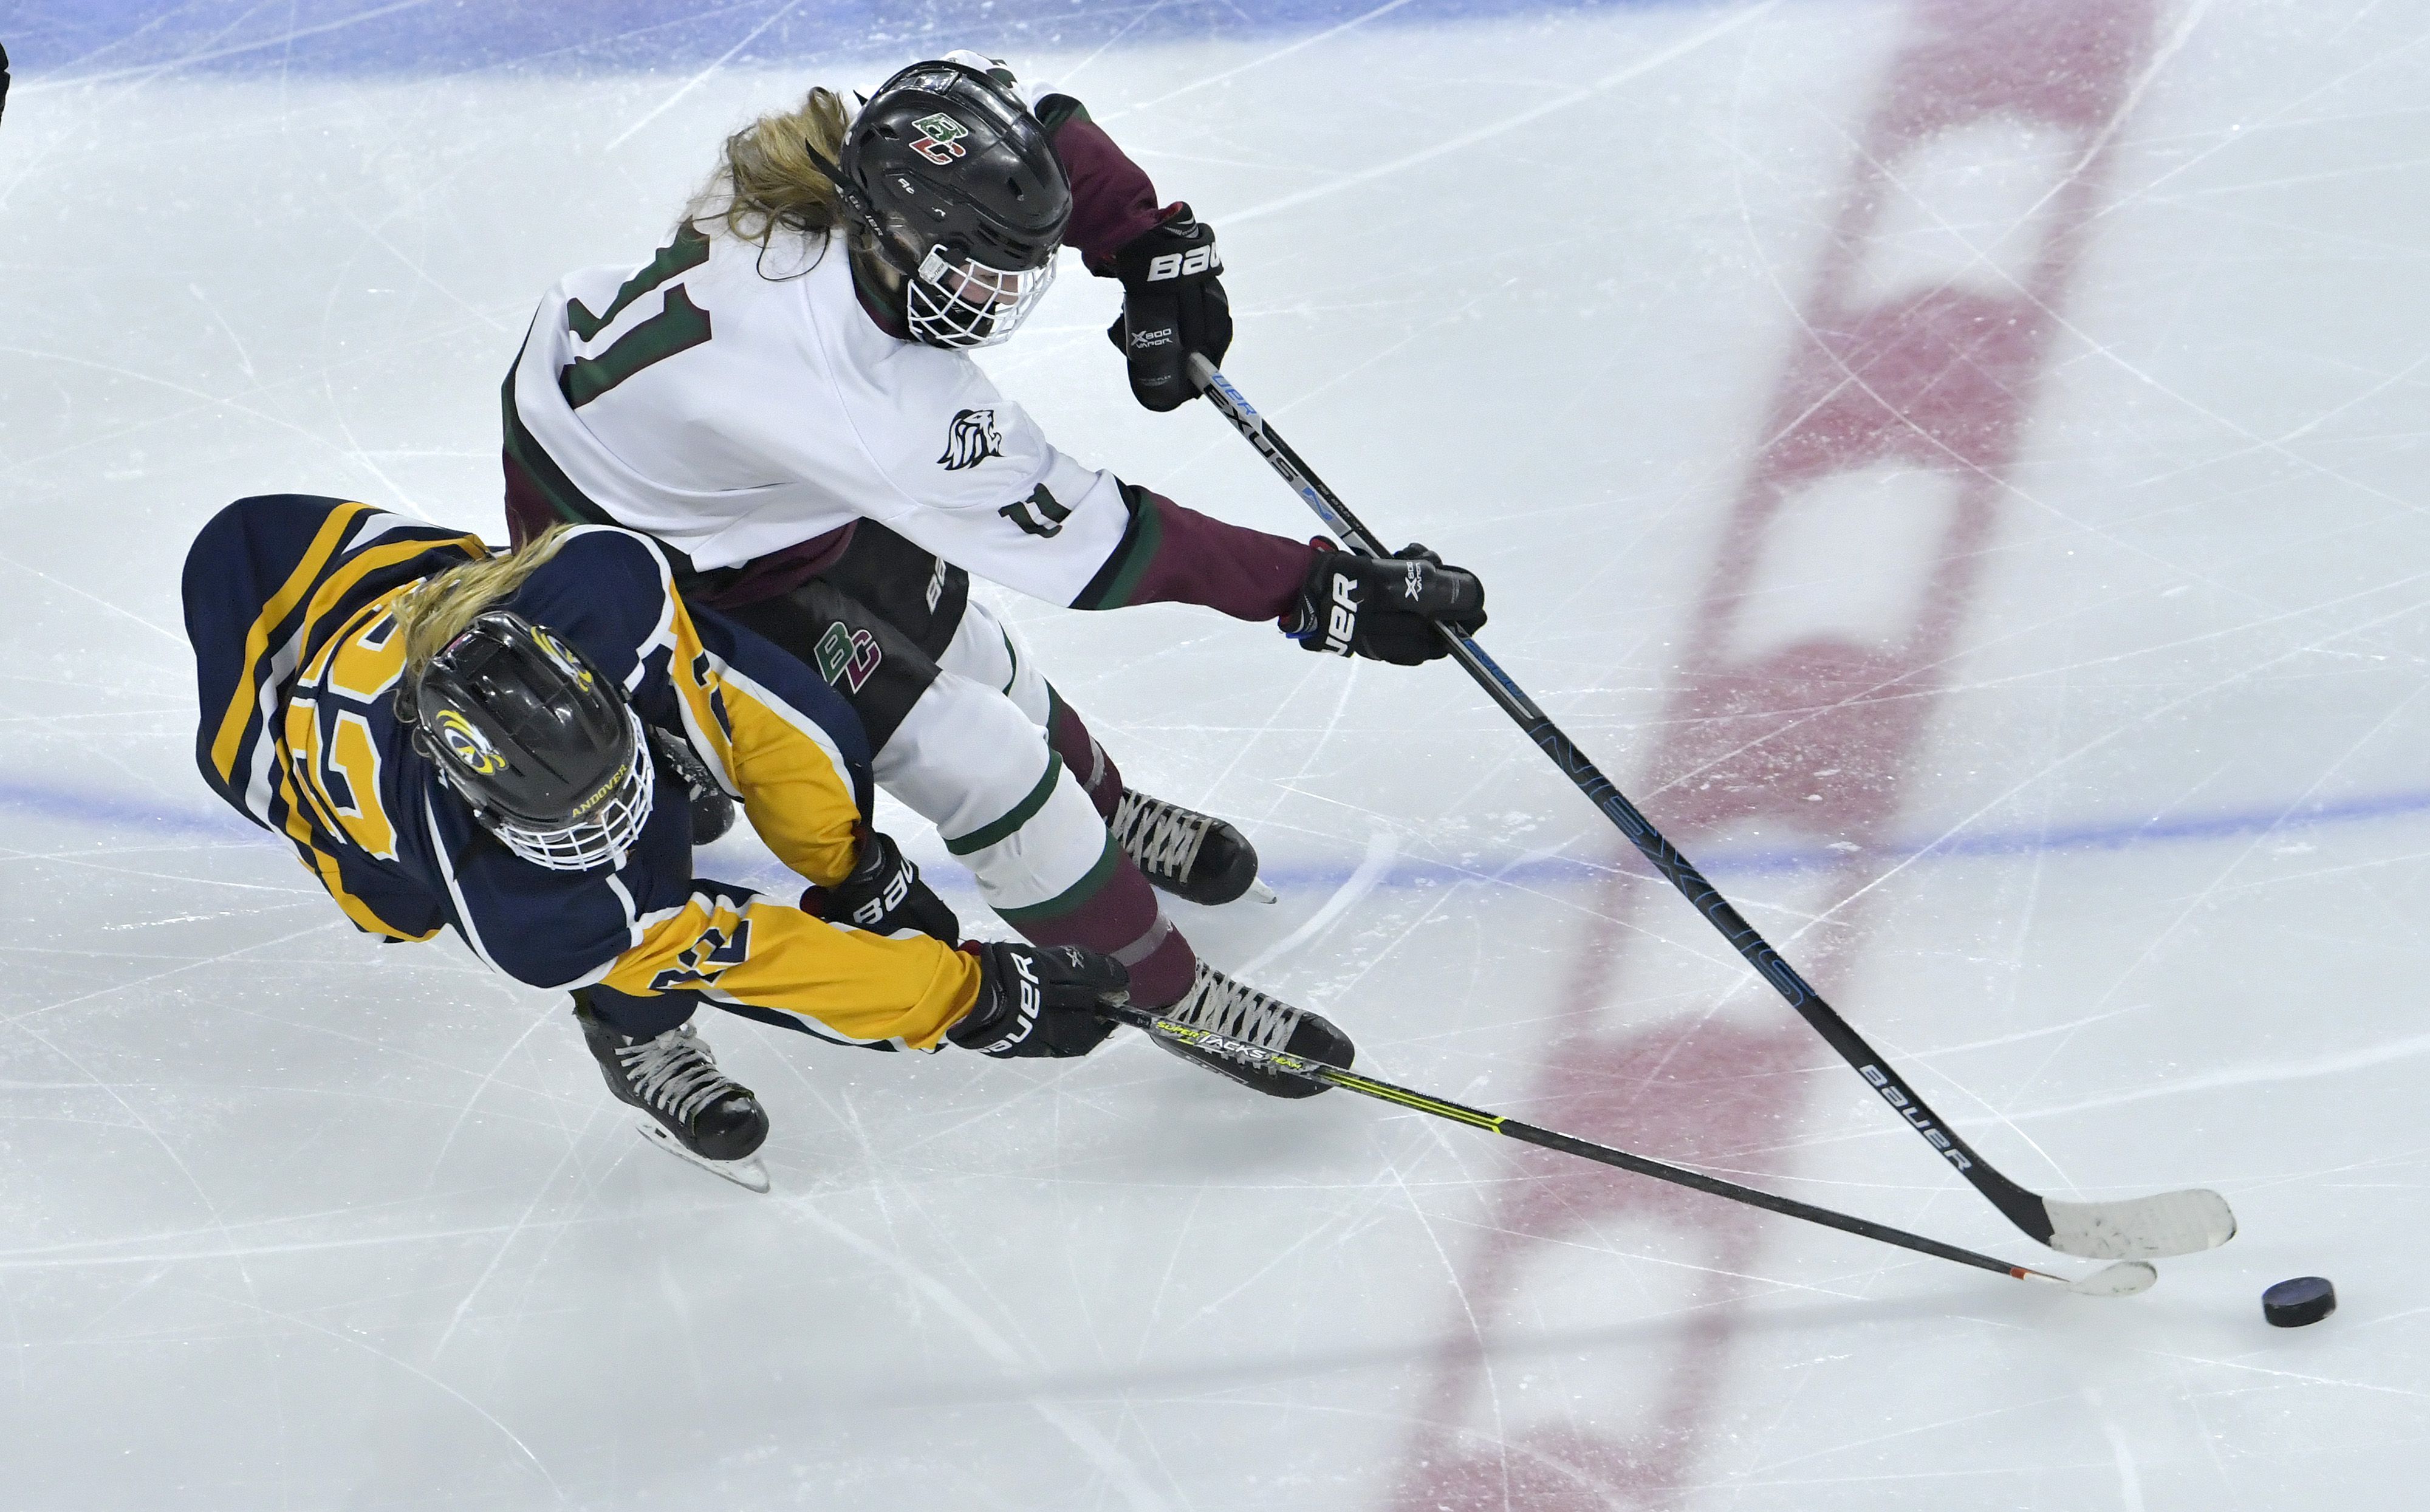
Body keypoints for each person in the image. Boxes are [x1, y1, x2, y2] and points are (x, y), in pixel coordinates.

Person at [499, 53, 1486, 1072]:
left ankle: (1105, 814)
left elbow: (1032, 127)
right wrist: (1314, 588)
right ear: (894, 234)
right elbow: (1101, 545)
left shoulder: (856, 170)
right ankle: (1169, 994)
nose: (999, 299)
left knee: (974, 650)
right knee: (982, 754)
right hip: (651, 561)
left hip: (705, 471)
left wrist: (1145, 241)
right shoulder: (866, 403)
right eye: (976, 271)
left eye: (1020, 266)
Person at [182, 493, 1138, 1191]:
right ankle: (626, 1034)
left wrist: (853, 865)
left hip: (344, 568)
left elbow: (767, 718)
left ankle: (646, 771)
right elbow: (736, 947)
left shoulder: (604, 590)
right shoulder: (517, 907)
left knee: (703, 712)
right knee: (588, 930)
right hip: (306, 747)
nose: (613, 827)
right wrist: (964, 1000)